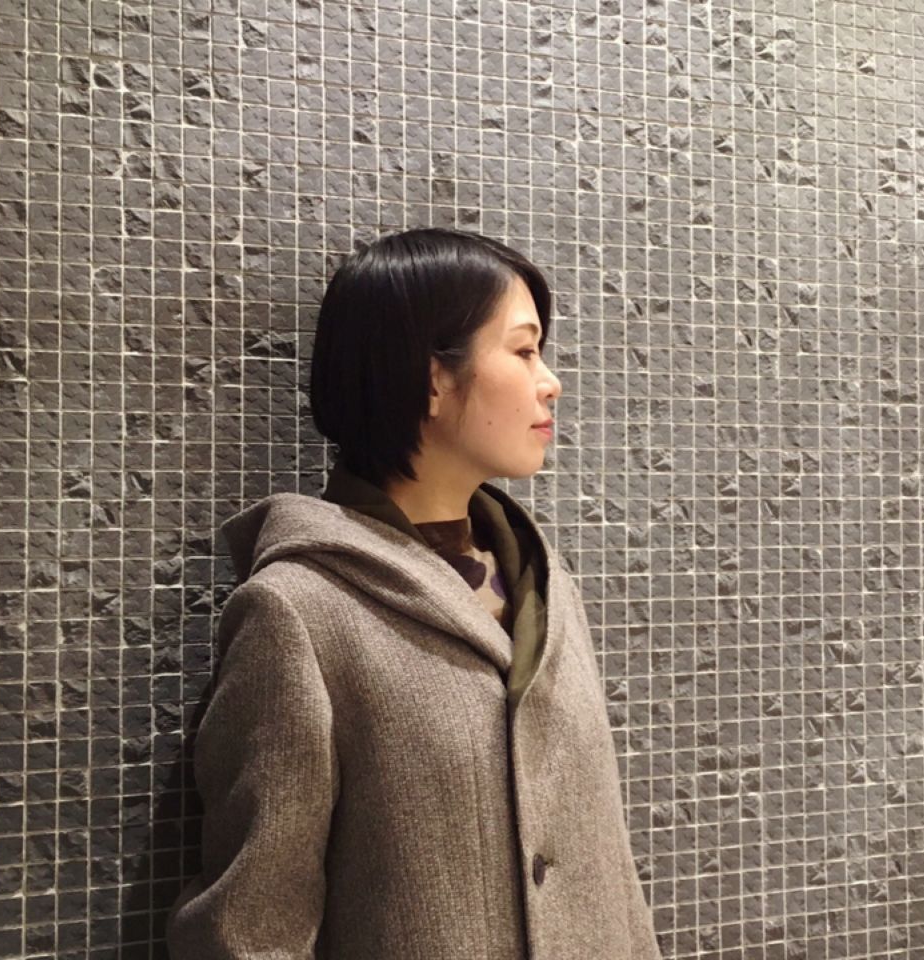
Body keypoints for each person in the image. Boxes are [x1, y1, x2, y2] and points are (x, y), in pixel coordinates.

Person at [167, 228, 661, 959]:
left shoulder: (542, 586)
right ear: (433, 377)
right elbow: (251, 930)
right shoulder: (299, 611)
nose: (550, 380)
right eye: (524, 351)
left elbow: (608, 870)